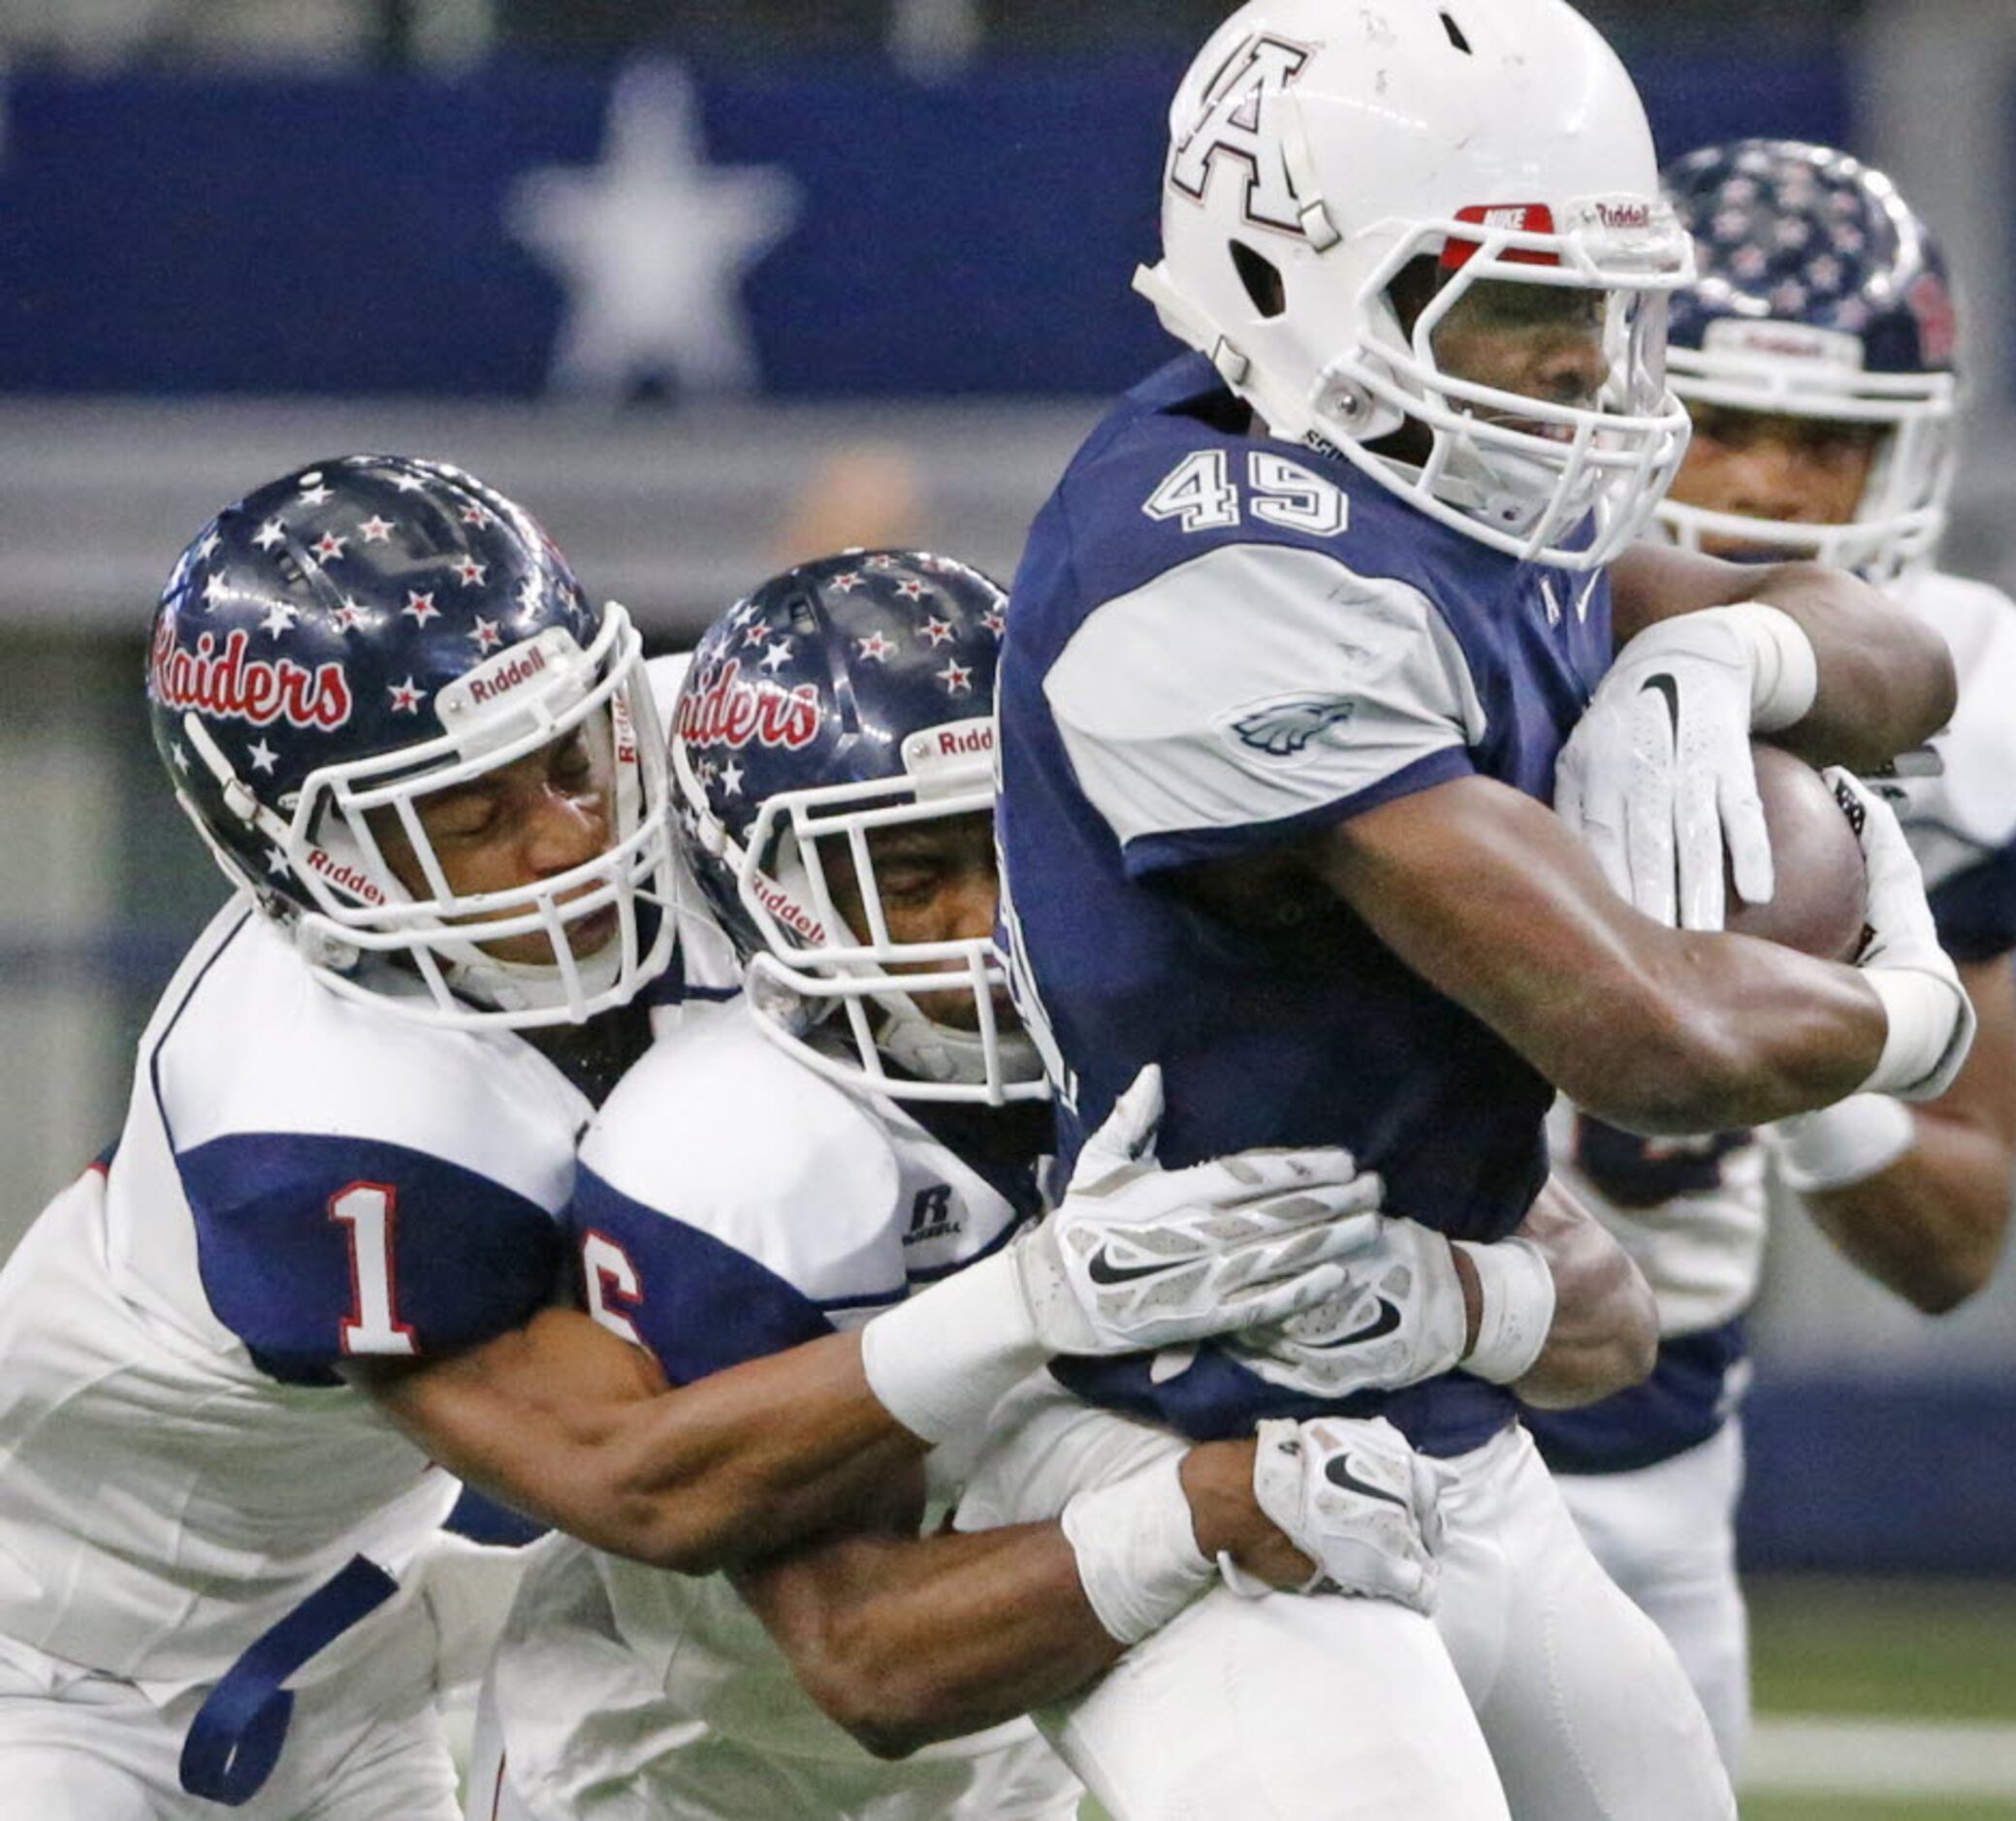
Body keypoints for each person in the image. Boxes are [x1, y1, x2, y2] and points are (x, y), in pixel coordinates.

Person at [0, 463, 1393, 1821]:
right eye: (471, 813)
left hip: (385, 1621)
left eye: (563, 758)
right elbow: (642, 1480)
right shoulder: (309, 1112)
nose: (569, 835)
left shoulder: (685, 762)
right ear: (306, 855)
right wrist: (1033, 1297)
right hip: (60, 1662)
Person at [986, 3, 1981, 1816]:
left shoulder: (1443, 500)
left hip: (1435, 1408)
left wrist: (1733, 642)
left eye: (1609, 306)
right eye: (1520, 303)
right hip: (1183, 1432)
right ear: (1294, 278)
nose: (1586, 369)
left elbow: (1899, 658)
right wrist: (1913, 1009)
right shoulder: (1210, 566)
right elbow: (1643, 1040)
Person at [468, 552, 1521, 1821]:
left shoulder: (1197, 1013)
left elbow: (1608, 1319)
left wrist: (1461, 1296)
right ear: (771, 890)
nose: (988, 924)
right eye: (911, 876)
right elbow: (864, 1661)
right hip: (690, 1759)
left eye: (1014, 848)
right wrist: (1200, 1501)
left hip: (1012, 1724)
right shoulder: (733, 1145)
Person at [1528, 137, 2016, 1773]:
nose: (1772, 489)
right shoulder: (1446, 624)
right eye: (1721, 421)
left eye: (1827, 442)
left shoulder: (1970, 696)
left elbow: (1955, 1235)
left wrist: (1805, 1044)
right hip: (1323, 1409)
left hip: (1647, 1458)